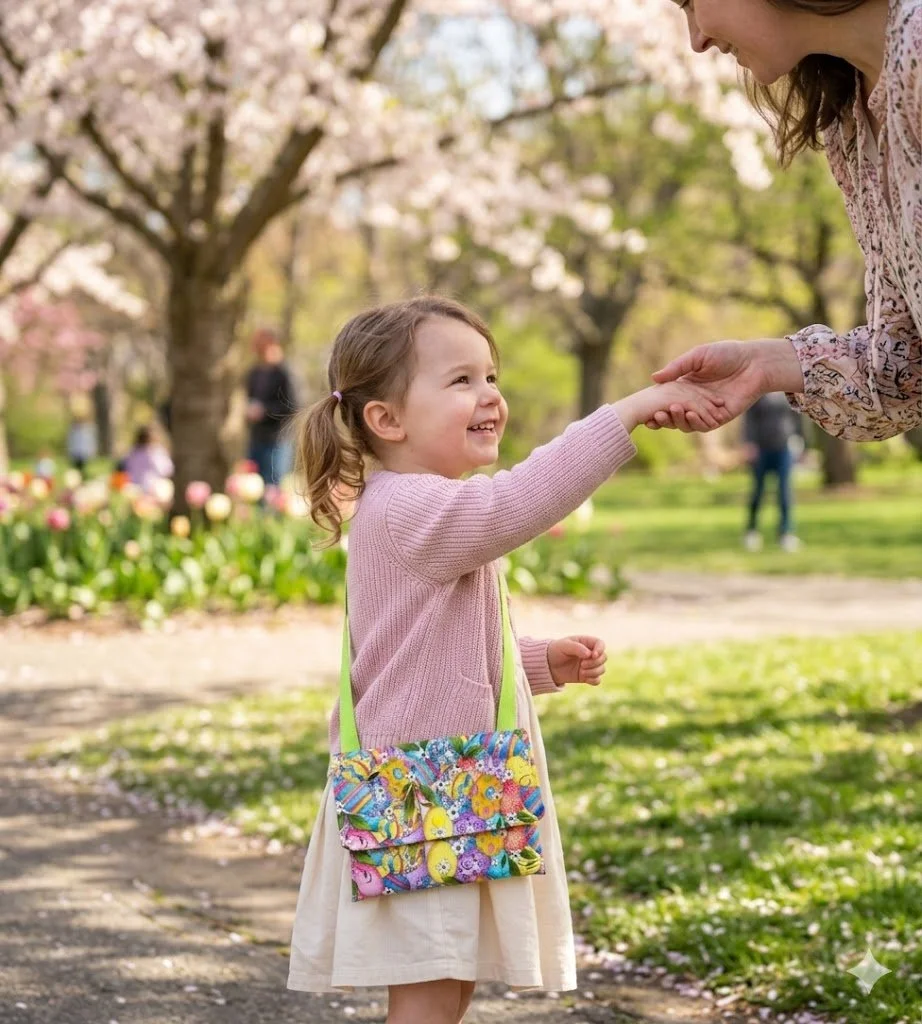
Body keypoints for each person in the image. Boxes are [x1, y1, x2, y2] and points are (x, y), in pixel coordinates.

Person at [285, 296, 728, 1023]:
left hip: (447, 787)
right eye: (460, 381)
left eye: (490, 375)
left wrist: (536, 661)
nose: (489, 395)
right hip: (427, 795)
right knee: (429, 997)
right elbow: (518, 501)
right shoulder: (410, 508)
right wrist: (628, 413)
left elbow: (426, 656)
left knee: (447, 986)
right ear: (387, 420)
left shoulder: (419, 504)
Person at [652, 0, 922, 441]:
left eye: (690, 3)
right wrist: (764, 365)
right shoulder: (850, 120)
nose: (696, 40)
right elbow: (903, 369)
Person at [741, 393, 805, 552]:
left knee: (784, 492)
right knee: (758, 492)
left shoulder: (789, 392)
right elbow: (749, 420)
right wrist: (749, 444)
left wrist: (805, 445)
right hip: (761, 449)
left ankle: (785, 533)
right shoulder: (758, 393)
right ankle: (752, 531)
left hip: (784, 448)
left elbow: (800, 419)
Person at [245, 327, 297, 486]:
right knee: (253, 483)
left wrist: (265, 411)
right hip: (257, 437)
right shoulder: (254, 373)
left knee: (273, 485)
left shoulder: (286, 373)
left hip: (278, 439)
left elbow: (293, 406)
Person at [122, 425, 173, 493]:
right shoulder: (156, 452)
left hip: (135, 489)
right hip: (152, 490)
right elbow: (167, 471)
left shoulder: (132, 452)